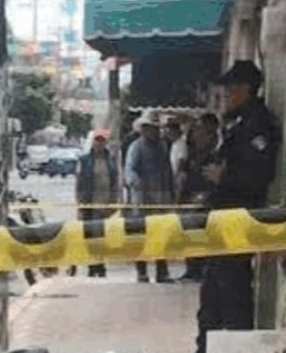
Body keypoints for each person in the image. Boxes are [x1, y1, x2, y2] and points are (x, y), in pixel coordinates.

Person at [188, 61, 281, 353]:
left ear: (244, 89)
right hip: (222, 220)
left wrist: (223, 177)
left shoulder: (258, 125)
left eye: (229, 90)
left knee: (234, 299)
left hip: (239, 223)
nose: (225, 96)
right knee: (211, 301)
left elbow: (256, 177)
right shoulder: (237, 123)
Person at [125, 114, 173, 283]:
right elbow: (129, 171)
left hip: (160, 199)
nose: (155, 132)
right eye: (152, 129)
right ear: (144, 130)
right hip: (142, 201)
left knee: (161, 236)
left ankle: (162, 271)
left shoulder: (162, 147)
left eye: (156, 129)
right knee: (141, 237)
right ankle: (142, 272)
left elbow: (167, 171)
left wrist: (170, 193)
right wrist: (137, 183)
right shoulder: (136, 147)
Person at [179, 113, 222, 281]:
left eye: (202, 132)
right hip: (190, 198)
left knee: (202, 235)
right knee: (189, 235)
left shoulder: (215, 156)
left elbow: (214, 179)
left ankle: (201, 268)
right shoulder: (193, 155)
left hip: (205, 201)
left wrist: (205, 196)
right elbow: (186, 176)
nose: (197, 135)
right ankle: (191, 268)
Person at [75, 128, 119, 278]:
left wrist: (114, 201)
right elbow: (79, 183)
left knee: (102, 236)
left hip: (104, 203)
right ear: (93, 142)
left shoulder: (111, 160)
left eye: (102, 140)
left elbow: (115, 182)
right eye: (97, 140)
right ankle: (92, 265)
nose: (99, 143)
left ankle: (100, 265)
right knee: (90, 235)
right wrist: (80, 203)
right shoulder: (84, 160)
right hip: (89, 203)